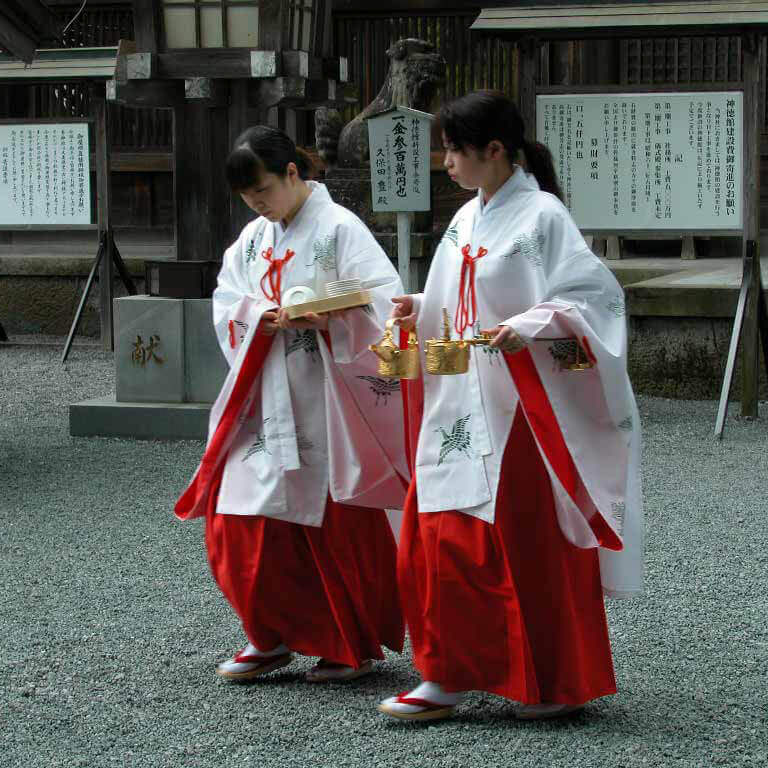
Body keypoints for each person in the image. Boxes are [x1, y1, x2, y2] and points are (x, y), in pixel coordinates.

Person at [378, 90, 643, 721]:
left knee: (521, 542)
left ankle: (548, 679)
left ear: (494, 150)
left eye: (454, 150)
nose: (446, 162)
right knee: (437, 537)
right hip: (459, 397)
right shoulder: (465, 219)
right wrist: (421, 306)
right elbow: (458, 298)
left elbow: (595, 300)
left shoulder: (543, 215)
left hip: (521, 405)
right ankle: (445, 671)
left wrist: (531, 325)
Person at [175, 126, 408, 683]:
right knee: (235, 523)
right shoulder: (253, 239)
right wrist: (257, 315)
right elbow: (228, 299)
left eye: (263, 190)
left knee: (331, 523)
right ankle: (269, 635)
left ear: (292, 173)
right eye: (247, 197)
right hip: (264, 395)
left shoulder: (339, 227)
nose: (257, 204)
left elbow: (383, 299)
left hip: (324, 395)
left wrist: (330, 319)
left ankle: (345, 643)